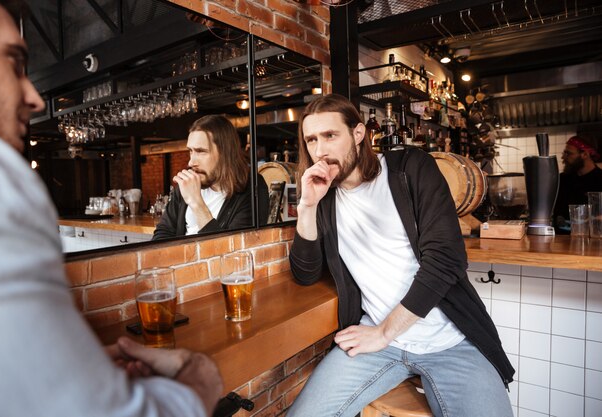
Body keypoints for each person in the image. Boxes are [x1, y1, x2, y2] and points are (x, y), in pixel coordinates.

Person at [0, 1, 222, 416]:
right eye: (15, 62)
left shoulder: (242, 193)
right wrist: (199, 373)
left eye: (200, 151)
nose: (36, 98)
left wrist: (79, 366)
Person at [287, 94, 514, 417]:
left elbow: (447, 260)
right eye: (311, 140)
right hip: (377, 344)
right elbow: (305, 273)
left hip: (449, 340)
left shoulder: (410, 169)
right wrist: (307, 206)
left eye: (330, 136)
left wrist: (384, 333)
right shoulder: (324, 197)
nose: (320, 150)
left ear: (358, 134)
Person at [153, 114, 269, 239]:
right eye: (190, 151)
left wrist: (196, 203)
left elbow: (234, 251)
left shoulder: (252, 187)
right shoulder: (187, 183)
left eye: (201, 151)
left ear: (225, 153)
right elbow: (162, 234)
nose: (191, 162)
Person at [554, 135, 602, 229]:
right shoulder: (562, 179)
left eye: (568, 153)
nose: (563, 157)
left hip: (591, 240)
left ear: (585, 154)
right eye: (564, 153)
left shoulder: (600, 180)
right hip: (560, 240)